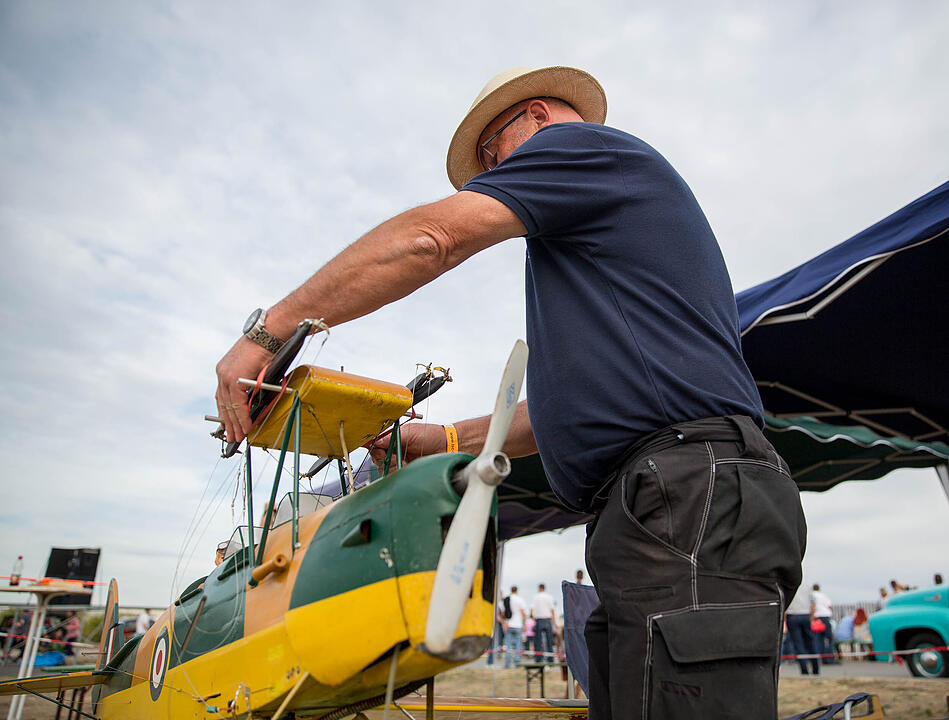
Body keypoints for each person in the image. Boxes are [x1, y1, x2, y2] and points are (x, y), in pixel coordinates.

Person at [213, 65, 806, 720]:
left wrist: (269, 333)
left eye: (494, 157)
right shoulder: (608, 235)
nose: (493, 176)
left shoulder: (580, 148)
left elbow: (428, 238)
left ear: (536, 116)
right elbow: (566, 412)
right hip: (665, 496)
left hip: (682, 489)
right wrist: (433, 441)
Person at [785, 582, 819, 675]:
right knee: (810, 642)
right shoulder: (807, 586)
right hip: (805, 614)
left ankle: (804, 669)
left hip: (792, 615)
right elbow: (813, 604)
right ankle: (815, 667)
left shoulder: (788, 585)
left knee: (798, 644)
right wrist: (811, 617)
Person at [530, 583, 556, 663]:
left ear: (539, 588)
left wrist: (533, 618)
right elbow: (552, 610)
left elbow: (532, 609)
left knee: (538, 641)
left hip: (539, 619)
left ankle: (538, 658)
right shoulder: (549, 597)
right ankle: (550, 658)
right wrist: (554, 623)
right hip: (547, 619)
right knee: (549, 640)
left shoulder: (535, 597)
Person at [503, 586, 527, 668]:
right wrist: (524, 625)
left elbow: (503, 613)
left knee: (508, 645)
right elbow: (523, 614)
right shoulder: (520, 600)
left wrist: (504, 623)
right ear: (517, 590)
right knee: (518, 644)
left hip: (509, 624)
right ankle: (517, 662)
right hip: (518, 624)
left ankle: (507, 663)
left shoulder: (507, 599)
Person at [811, 584, 835, 664]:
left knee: (818, 639)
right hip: (825, 617)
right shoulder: (823, 595)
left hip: (816, 619)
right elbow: (830, 606)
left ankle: (819, 657)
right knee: (829, 638)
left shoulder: (811, 595)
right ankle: (829, 657)